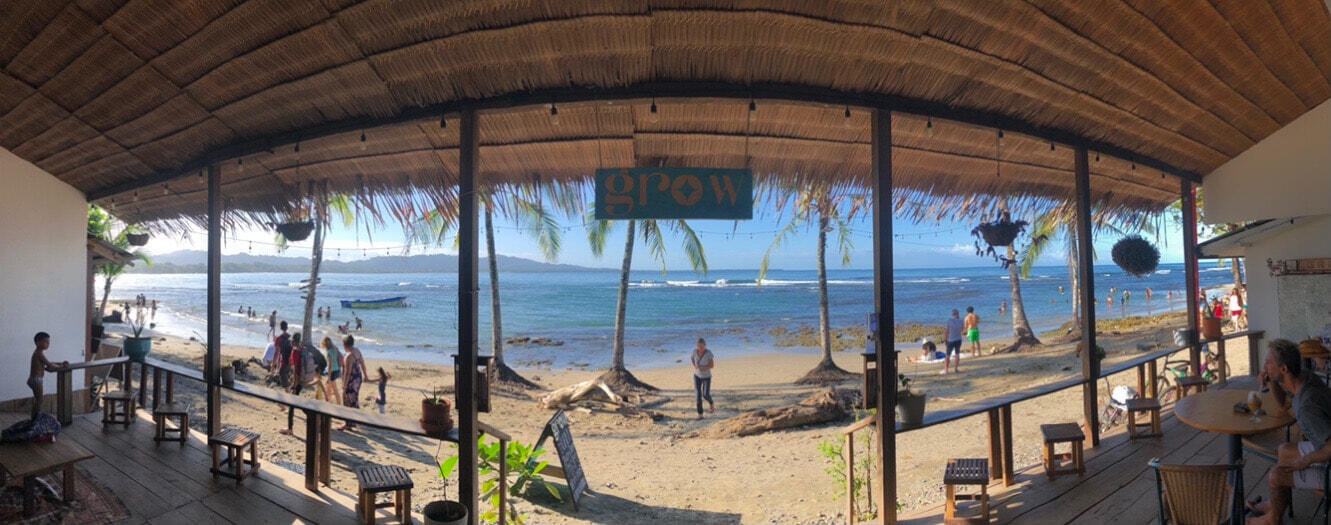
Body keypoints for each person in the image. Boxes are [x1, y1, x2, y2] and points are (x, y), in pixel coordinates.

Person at [1246, 339, 1331, 524]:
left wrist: (1305, 461)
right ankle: (1275, 505)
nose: (1264, 366)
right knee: (1284, 450)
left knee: (1276, 476)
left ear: (1284, 369)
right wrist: (1273, 382)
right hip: (1324, 444)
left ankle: (1272, 519)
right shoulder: (1305, 378)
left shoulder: (1307, 407)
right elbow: (1283, 405)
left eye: (1268, 362)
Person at [28, 332, 67, 421]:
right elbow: (49, 365)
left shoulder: (39, 353)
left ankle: (34, 418)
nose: (48, 344)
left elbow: (48, 363)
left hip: (35, 379)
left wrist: (60, 363)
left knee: (38, 400)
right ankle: (34, 419)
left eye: (48, 342)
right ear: (37, 342)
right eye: (45, 342)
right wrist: (61, 366)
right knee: (39, 400)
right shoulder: (39, 353)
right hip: (36, 380)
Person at [339, 335, 366, 431]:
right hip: (358, 378)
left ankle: (348, 423)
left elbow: (347, 372)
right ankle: (355, 421)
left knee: (347, 401)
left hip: (351, 381)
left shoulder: (349, 356)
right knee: (354, 400)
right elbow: (362, 363)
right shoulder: (357, 351)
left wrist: (344, 385)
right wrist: (365, 375)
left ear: (345, 345)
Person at [691, 338, 715, 419]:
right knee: (698, 395)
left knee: (705, 394)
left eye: (702, 346)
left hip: (706, 377)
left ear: (705, 345)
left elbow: (712, 365)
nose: (700, 348)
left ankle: (711, 403)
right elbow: (692, 358)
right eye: (699, 346)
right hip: (697, 376)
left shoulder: (708, 353)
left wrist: (703, 368)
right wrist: (695, 365)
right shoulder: (694, 351)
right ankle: (700, 414)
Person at [945, 309, 965, 374]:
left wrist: (946, 339)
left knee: (948, 355)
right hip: (958, 339)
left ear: (952, 314)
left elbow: (947, 331)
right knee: (957, 354)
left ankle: (946, 370)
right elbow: (962, 330)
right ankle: (956, 369)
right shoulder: (961, 321)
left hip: (951, 340)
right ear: (958, 314)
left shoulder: (949, 321)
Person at [275, 321, 292, 388]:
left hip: (284, 361)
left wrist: (273, 366)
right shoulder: (290, 337)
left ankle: (288, 393)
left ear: (280, 328)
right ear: (287, 328)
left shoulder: (279, 338)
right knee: (288, 378)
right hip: (291, 361)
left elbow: (276, 353)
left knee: (283, 378)